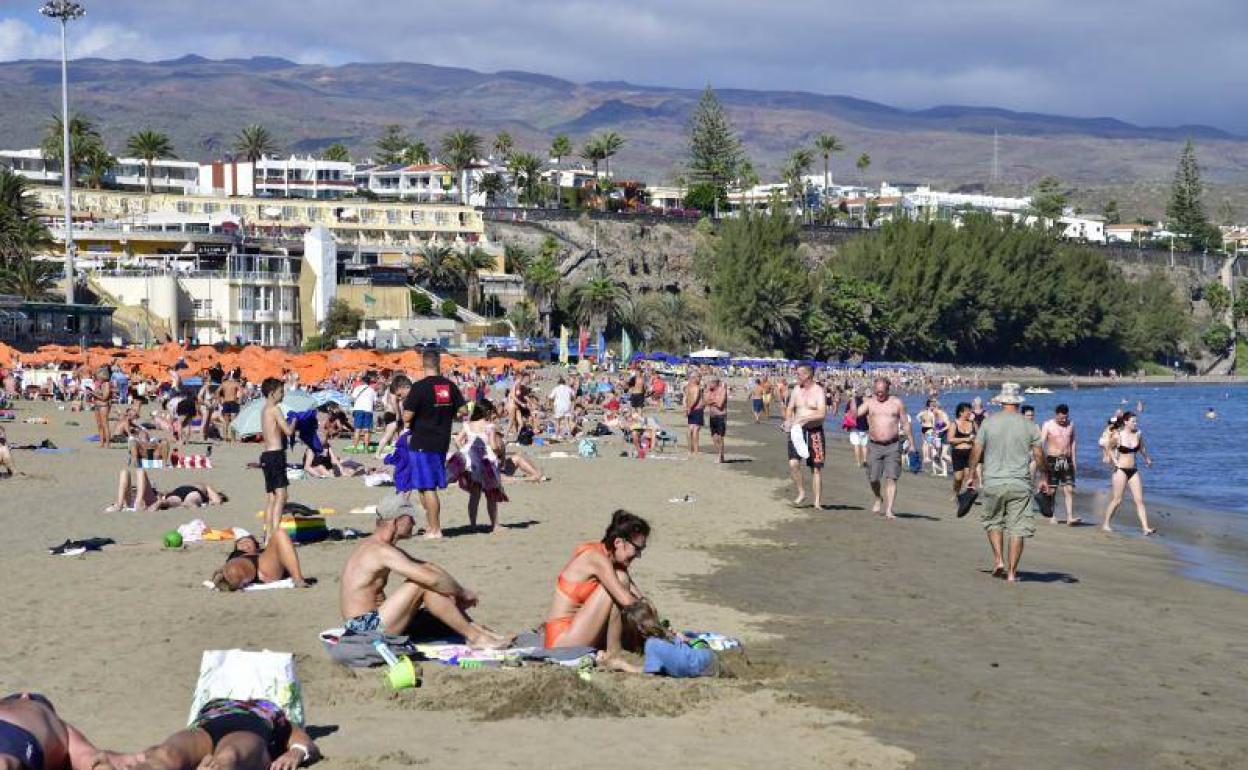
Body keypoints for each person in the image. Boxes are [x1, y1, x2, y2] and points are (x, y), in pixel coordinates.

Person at [338, 517, 508, 647]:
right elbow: (430, 580)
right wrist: (462, 593)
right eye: (410, 518)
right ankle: (476, 637)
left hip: (373, 621)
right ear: (395, 521)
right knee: (422, 584)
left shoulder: (379, 546)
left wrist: (457, 591)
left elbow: (428, 568)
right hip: (363, 630)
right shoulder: (379, 551)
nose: (414, 522)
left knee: (438, 592)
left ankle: (480, 632)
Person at [962, 383, 1049, 583]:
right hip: (1020, 483)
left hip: (993, 480)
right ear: (1018, 402)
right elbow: (1038, 455)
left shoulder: (989, 423)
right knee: (1018, 528)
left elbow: (976, 450)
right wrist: (1044, 478)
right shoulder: (1030, 426)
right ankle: (1011, 573)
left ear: (1001, 400)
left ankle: (999, 560)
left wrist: (972, 475)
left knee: (993, 521)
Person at [544, 511, 650, 671]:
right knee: (621, 583)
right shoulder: (595, 558)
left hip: (579, 631)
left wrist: (666, 627)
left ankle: (619, 649)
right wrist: (660, 631)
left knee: (629, 594)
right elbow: (627, 601)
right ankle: (613, 655)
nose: (639, 555)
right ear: (618, 542)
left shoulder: (612, 562)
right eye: (637, 549)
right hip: (561, 642)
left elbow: (641, 600)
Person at [100, 698, 317, 770]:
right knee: (165, 754)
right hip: (208, 726)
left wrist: (296, 753)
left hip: (249, 729)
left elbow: (302, 741)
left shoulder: (270, 709)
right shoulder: (218, 702)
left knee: (228, 756)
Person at [400, 350, 466, 539]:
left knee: (428, 487)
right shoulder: (449, 386)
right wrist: (446, 414)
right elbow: (462, 411)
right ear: (439, 364)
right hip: (441, 441)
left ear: (423, 364)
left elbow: (407, 417)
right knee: (422, 486)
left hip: (422, 440)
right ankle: (430, 525)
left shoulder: (419, 387)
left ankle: (436, 529)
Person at [0, 691, 123, 770]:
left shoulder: (62, 730)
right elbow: (93, 761)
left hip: (19, 737)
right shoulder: (64, 731)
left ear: (24, 696)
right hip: (21, 737)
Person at [447, 400, 508, 533]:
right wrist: (500, 452)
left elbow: (457, 440)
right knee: (491, 495)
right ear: (486, 412)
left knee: (475, 495)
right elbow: (492, 446)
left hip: (472, 462)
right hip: (487, 462)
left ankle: (473, 525)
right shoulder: (489, 426)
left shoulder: (468, 425)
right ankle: (495, 525)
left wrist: (465, 451)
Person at [858, 377, 911, 519]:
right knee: (873, 478)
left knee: (891, 477)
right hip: (874, 446)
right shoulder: (870, 403)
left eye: (882, 392)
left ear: (888, 389)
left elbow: (905, 423)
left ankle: (889, 510)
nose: (879, 394)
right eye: (877, 391)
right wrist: (854, 398)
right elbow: (857, 413)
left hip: (893, 445)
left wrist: (911, 442)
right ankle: (878, 497)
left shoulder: (897, 403)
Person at [1102, 412, 1155, 535]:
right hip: (1120, 470)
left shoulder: (1138, 434)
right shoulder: (1118, 435)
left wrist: (1147, 459)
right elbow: (1108, 447)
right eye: (1133, 421)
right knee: (1117, 499)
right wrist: (1114, 461)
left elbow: (1142, 448)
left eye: (1136, 421)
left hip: (1133, 470)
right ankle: (1106, 523)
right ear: (1126, 422)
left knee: (1139, 500)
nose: (1135, 423)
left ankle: (1145, 528)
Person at [785, 364, 828, 509]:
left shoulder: (818, 391)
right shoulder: (797, 389)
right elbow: (790, 408)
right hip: (797, 431)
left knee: (815, 468)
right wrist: (788, 420)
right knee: (793, 463)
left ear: (807, 376)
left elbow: (822, 413)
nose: (796, 377)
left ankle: (817, 501)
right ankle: (801, 492)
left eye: (798, 374)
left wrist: (804, 419)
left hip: (814, 431)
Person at [212, 527, 309, 590]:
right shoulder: (236, 554)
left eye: (248, 541)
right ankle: (231, 580)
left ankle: (298, 579)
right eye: (240, 543)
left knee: (280, 532)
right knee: (235, 568)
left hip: (265, 565)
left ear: (256, 544)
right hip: (244, 562)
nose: (245, 544)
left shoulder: (266, 552)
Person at [259, 377, 295, 544]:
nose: (283, 394)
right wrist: (295, 420)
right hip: (275, 455)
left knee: (272, 497)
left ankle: (267, 536)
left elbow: (273, 431)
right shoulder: (275, 409)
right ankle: (274, 534)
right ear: (272, 393)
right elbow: (287, 431)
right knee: (282, 495)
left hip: (266, 455)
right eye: (281, 391)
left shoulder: (264, 410)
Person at [1040, 404, 1080, 525]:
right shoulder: (1048, 425)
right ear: (1056, 414)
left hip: (1066, 459)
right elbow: (1041, 443)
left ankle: (1070, 517)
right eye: (1061, 418)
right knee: (1052, 489)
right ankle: (1052, 515)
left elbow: (1073, 442)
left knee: (1069, 488)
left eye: (1065, 418)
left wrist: (1074, 460)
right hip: (1052, 459)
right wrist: (1041, 463)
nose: (1063, 420)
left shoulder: (1071, 424)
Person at [947, 402, 977, 497]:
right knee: (958, 478)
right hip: (958, 453)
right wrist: (965, 439)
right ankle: (956, 493)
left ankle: (968, 496)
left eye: (970, 410)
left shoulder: (972, 423)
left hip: (970, 453)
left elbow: (980, 436)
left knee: (969, 476)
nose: (970, 412)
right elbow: (950, 440)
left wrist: (974, 439)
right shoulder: (954, 424)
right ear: (961, 412)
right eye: (967, 411)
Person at [350, 374, 378, 451]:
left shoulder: (357, 388)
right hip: (368, 410)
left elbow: (352, 398)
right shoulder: (372, 390)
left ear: (362, 381)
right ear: (369, 382)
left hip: (358, 409)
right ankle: (366, 449)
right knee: (367, 430)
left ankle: (355, 448)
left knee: (357, 430)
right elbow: (375, 402)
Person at [844, 389, 870, 468]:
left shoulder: (851, 401)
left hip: (854, 426)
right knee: (864, 445)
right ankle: (865, 461)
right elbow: (869, 415)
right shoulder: (866, 402)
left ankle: (858, 462)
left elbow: (846, 414)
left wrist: (847, 424)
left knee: (856, 445)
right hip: (865, 427)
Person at [705, 376, 728, 463]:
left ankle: (720, 456)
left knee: (720, 437)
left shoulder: (722, 390)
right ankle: (720, 455)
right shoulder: (710, 391)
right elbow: (705, 401)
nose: (709, 385)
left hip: (720, 416)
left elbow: (720, 404)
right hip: (712, 416)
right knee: (714, 437)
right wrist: (713, 400)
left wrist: (711, 401)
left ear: (715, 383)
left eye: (710, 383)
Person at [90, 367, 113, 449]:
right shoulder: (100, 383)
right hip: (97, 405)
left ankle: (108, 443)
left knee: (105, 424)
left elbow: (105, 397)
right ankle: (101, 442)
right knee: (99, 425)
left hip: (103, 405)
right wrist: (93, 392)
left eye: (98, 376)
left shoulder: (106, 384)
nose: (97, 377)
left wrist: (93, 394)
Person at [683, 373, 705, 455]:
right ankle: (696, 450)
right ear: (694, 378)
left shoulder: (687, 387)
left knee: (690, 428)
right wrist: (689, 408)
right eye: (699, 377)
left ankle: (689, 450)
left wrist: (686, 408)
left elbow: (684, 399)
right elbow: (695, 399)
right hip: (696, 409)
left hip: (690, 409)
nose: (700, 379)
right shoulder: (697, 388)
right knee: (696, 429)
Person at [217, 371, 241, 442]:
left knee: (226, 422)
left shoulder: (224, 383)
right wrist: (239, 400)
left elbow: (217, 391)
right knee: (233, 422)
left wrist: (219, 401)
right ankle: (233, 439)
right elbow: (241, 392)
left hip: (226, 402)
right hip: (233, 402)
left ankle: (225, 438)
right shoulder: (235, 383)